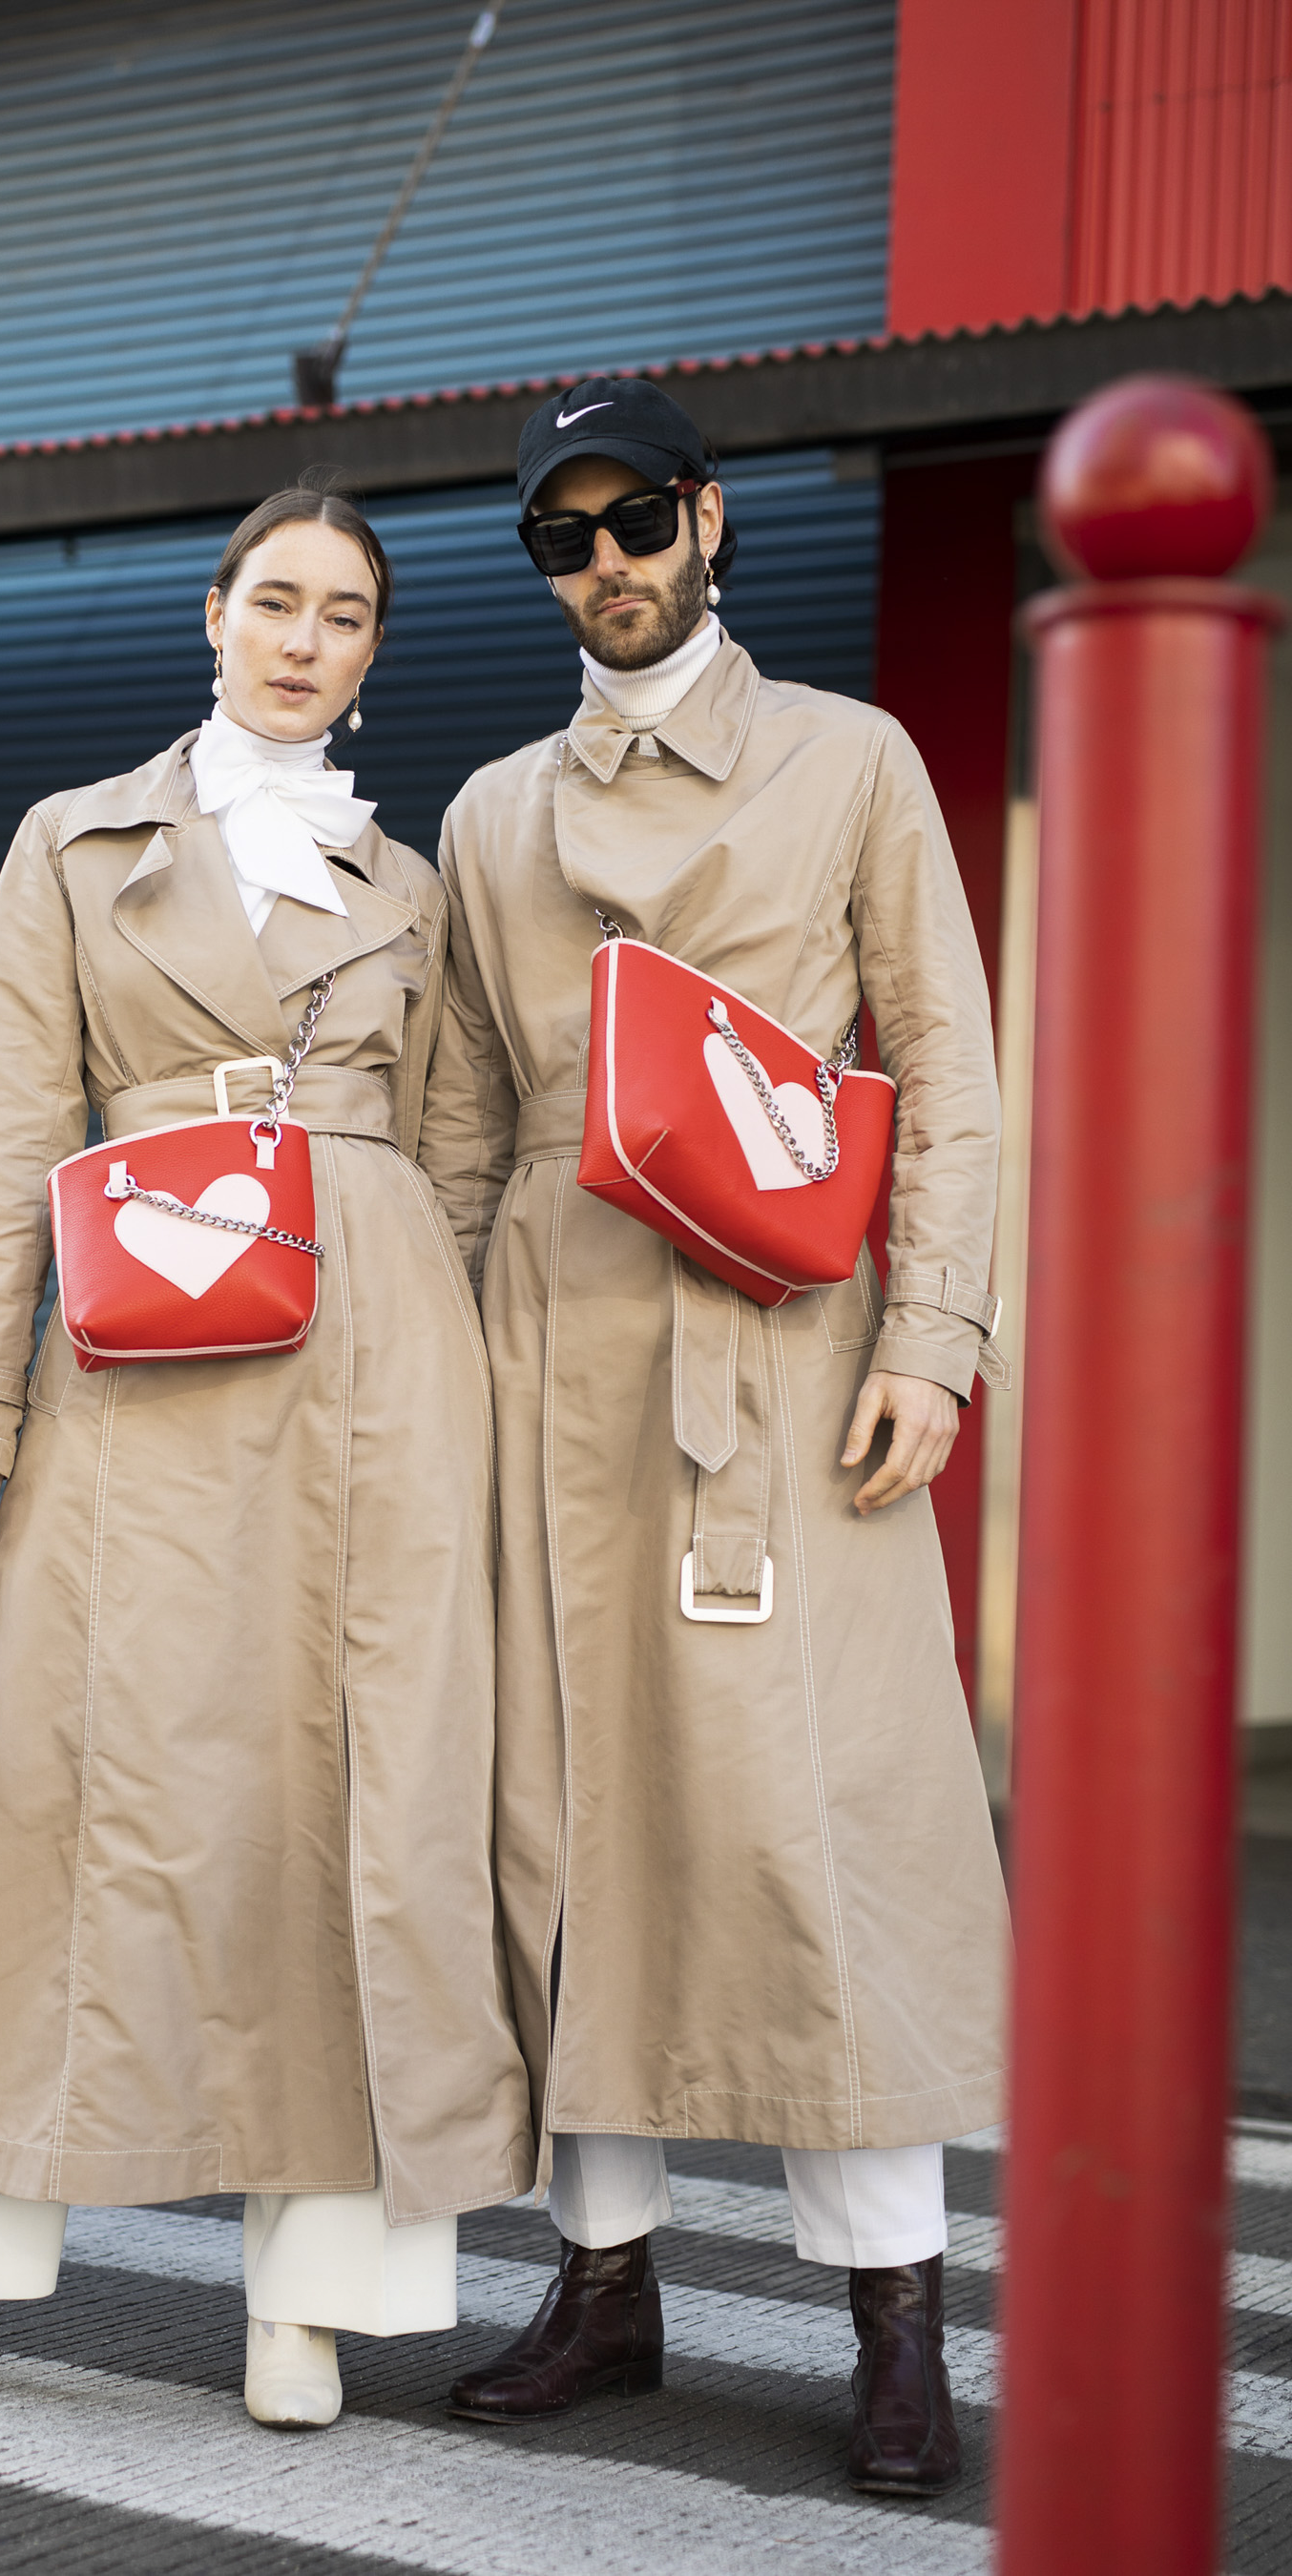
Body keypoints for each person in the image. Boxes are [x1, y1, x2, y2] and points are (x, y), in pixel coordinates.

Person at [0, 482, 531, 2429]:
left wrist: (461, 1373)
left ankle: (314, 2301)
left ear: (373, 652)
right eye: (275, 600)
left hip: (376, 1361)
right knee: (39, 1805)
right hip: (147, 1325)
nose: (305, 639)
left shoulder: (411, 878)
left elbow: (459, 1152)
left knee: (358, 1816)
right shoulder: (75, 841)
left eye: (347, 616)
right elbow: (3, 1133)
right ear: (212, 616)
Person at [417, 378, 1011, 2496]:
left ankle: (895, 2311)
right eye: (564, 538)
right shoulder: (490, 819)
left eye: (636, 517)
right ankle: (606, 2283)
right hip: (552, 1380)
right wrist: (438, 1402)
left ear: (709, 516)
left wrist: (931, 1342)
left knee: (825, 1827)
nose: (608, 564)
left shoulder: (852, 759)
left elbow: (945, 1062)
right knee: (571, 1832)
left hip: (791, 1355)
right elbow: (464, 1132)